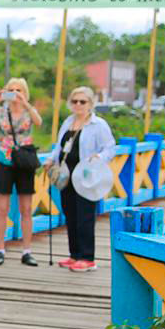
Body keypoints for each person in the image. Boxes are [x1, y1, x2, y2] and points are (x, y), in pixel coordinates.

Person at [45, 86, 116, 273]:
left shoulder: (98, 125)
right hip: (66, 176)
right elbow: (59, 146)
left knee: (85, 216)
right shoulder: (68, 122)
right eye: (75, 101)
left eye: (82, 101)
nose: (78, 105)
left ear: (90, 104)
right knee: (70, 213)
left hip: (86, 176)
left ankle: (87, 257)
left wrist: (99, 158)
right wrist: (51, 159)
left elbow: (110, 148)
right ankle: (74, 254)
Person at [0, 77, 43, 266]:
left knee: (26, 208)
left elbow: (38, 122)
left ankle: (27, 250)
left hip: (24, 162)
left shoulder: (29, 111)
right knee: (2, 207)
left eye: (19, 90)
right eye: (12, 90)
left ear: (25, 92)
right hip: (4, 160)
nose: (15, 93)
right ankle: (0, 249)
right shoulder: (0, 112)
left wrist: (26, 104)